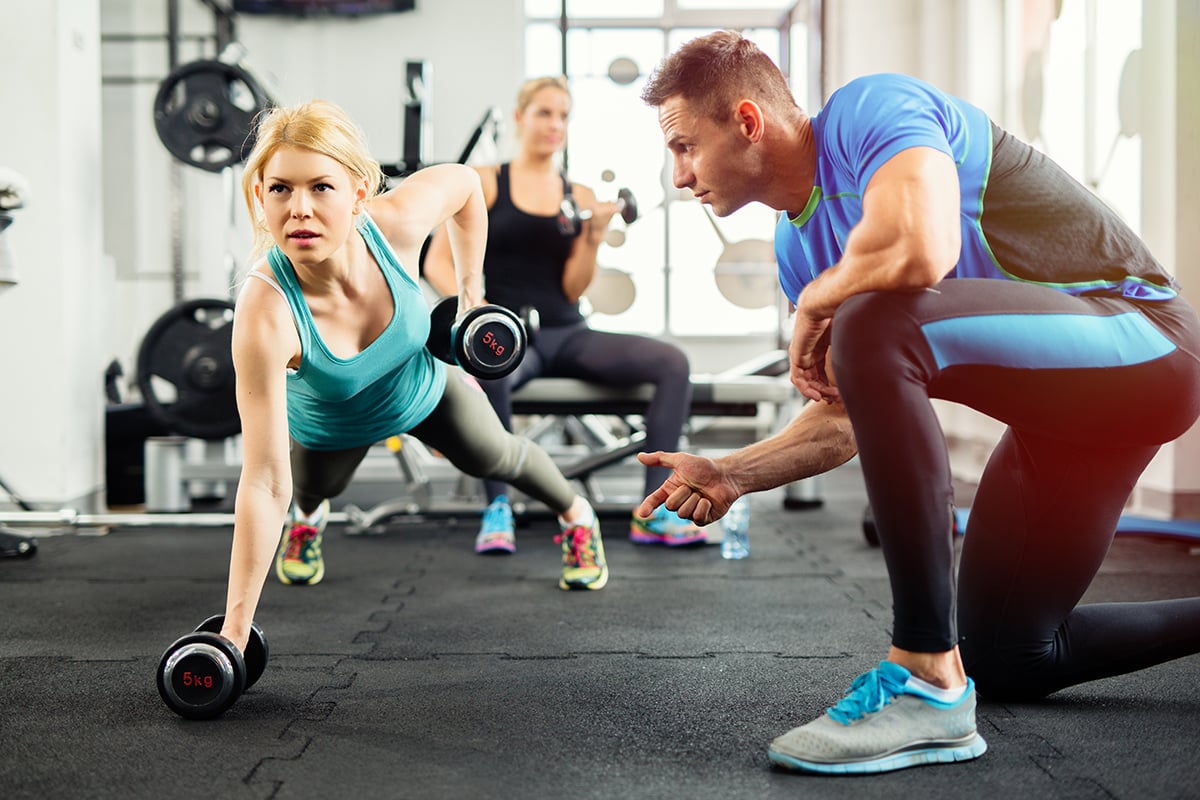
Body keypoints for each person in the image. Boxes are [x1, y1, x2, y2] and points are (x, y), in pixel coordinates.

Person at [636, 30, 1200, 775]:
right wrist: (735, 473)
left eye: (684, 147)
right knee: (1012, 655)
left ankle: (926, 677)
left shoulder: (870, 113)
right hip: (1065, 421)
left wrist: (820, 300)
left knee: (874, 319)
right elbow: (848, 414)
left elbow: (920, 247)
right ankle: (959, 668)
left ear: (746, 121)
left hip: (1148, 346)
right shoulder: (796, 248)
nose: (678, 177)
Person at [216, 99, 610, 655]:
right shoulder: (265, 313)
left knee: (499, 455)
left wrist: (471, 296)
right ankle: (310, 520)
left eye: (321, 187)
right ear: (260, 197)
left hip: (420, 387)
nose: (299, 209)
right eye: (280, 188)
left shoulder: (396, 224)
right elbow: (262, 480)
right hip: (333, 423)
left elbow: (468, 186)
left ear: (358, 194)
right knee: (306, 489)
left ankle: (578, 518)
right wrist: (233, 632)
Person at [423, 76, 702, 555]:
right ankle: (498, 509)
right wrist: (478, 310)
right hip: (508, 339)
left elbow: (573, 287)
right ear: (520, 117)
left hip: (567, 332)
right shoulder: (486, 182)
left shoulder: (579, 193)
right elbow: (436, 263)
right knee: (489, 375)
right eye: (544, 113)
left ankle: (654, 514)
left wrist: (593, 236)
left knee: (672, 363)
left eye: (563, 115)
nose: (555, 124)